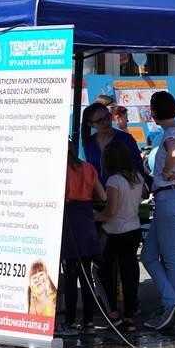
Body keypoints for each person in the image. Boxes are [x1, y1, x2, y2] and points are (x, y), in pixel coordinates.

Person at [142, 91, 175, 331]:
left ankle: (173, 305)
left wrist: (165, 171)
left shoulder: (170, 136)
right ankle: (174, 306)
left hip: (168, 196)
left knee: (170, 258)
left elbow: (172, 152)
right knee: (149, 256)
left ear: (155, 111)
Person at [94, 142, 147, 331]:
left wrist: (96, 216)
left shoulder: (113, 181)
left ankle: (112, 313)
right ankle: (130, 314)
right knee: (129, 271)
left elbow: (110, 212)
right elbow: (145, 193)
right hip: (134, 229)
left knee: (99, 269)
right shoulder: (137, 177)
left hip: (114, 231)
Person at [58, 144, 107, 337]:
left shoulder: (59, 169)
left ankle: (70, 322)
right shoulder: (88, 167)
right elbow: (103, 196)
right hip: (86, 217)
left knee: (70, 275)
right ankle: (88, 322)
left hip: (69, 218)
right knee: (86, 275)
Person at [81, 102, 145, 187]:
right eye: (100, 120)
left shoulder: (126, 139)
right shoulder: (89, 143)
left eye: (108, 117)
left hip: (124, 194)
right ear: (91, 124)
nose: (106, 122)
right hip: (99, 196)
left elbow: (138, 169)